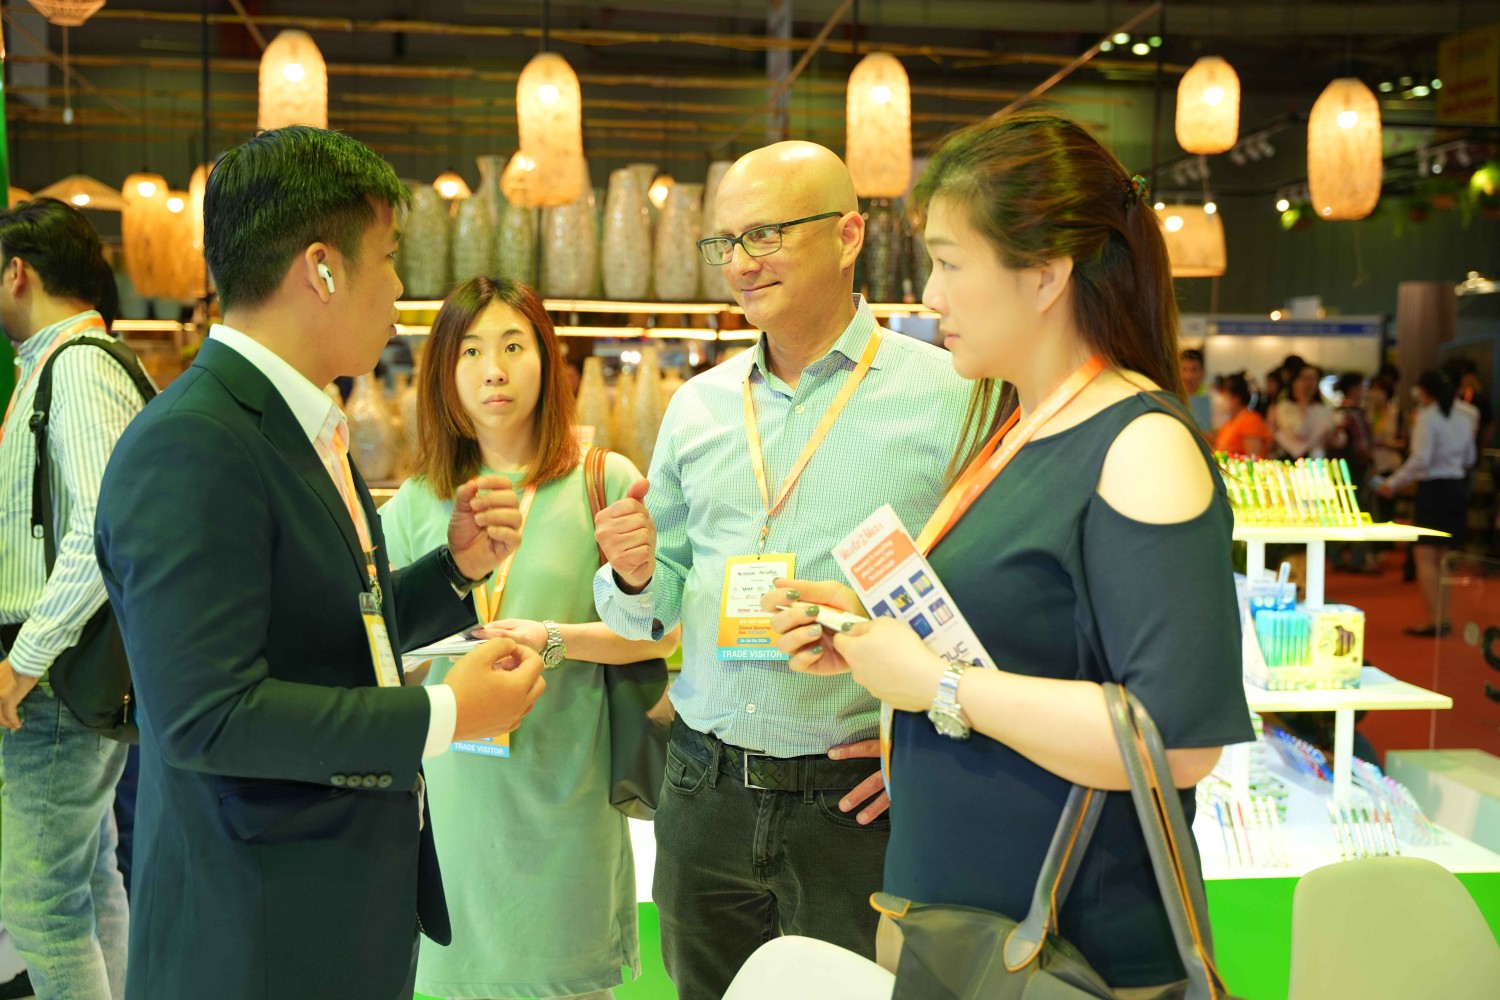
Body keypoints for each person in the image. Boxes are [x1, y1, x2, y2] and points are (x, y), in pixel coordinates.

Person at [762, 111, 1253, 994]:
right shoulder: (1017, 428)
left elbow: (1175, 744)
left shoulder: (1138, 445)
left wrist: (937, 685)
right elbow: (1024, 646)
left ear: (1045, 275)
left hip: (1067, 948)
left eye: (950, 263)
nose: (931, 296)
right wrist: (870, 633)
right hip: (969, 924)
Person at [93, 126, 548, 1000]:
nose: (400, 289)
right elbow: (209, 717)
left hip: (329, 908)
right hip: (258, 934)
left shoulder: (298, 427)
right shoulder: (195, 443)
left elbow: (331, 629)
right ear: (323, 269)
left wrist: (451, 572)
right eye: (389, 257)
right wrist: (447, 712)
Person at [591, 140, 976, 998]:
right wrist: (633, 575)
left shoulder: (952, 395)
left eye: (763, 235)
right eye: (724, 241)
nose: (739, 263)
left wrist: (925, 750)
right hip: (702, 790)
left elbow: (989, 602)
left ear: (848, 236)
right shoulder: (699, 405)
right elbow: (653, 612)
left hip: (856, 799)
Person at [378, 276, 680, 1000]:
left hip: (566, 806)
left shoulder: (604, 481)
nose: (494, 370)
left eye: (514, 346)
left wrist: (553, 638)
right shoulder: (417, 501)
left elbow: (658, 634)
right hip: (450, 816)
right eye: (471, 351)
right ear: (444, 372)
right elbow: (384, 656)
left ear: (547, 359)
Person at [0, 197, 138, 1000]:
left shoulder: (78, 367)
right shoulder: (66, 364)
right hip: (66, 669)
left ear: (17, 272)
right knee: (86, 882)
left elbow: (99, 530)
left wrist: (24, 661)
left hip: (56, 675)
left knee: (42, 900)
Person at [1375, 370, 1478, 636]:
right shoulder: (1468, 414)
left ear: (1423, 391)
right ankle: (1444, 616)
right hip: (1457, 486)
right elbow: (1470, 457)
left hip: (1433, 489)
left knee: (1425, 556)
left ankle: (1435, 619)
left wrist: (1393, 483)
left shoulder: (1426, 417)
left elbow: (1421, 458)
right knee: (1445, 557)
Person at [1330, 373, 1378, 573]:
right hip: (1356, 467)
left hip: (1341, 467)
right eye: (1360, 386)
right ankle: (1358, 558)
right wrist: (1371, 459)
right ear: (1352, 388)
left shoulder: (1338, 411)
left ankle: (1338, 556)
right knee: (1363, 512)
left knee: (1340, 510)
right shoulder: (1354, 413)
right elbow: (1361, 444)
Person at [1272, 362, 1334, 458]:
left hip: (1318, 457)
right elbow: (1299, 432)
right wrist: (1302, 404)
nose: (1308, 383)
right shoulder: (1285, 407)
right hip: (1291, 457)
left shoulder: (1323, 407)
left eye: (1313, 378)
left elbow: (1332, 438)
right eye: (1304, 378)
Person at [1213, 372, 1271, 457]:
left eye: (1225, 395)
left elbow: (1254, 458)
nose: (1222, 399)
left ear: (1237, 398)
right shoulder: (1230, 422)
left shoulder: (1251, 421)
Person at [1179, 347, 1213, 433]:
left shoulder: (1214, 400)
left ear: (1203, 372)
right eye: (1184, 369)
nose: (1188, 376)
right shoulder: (1171, 397)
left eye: (1194, 370)